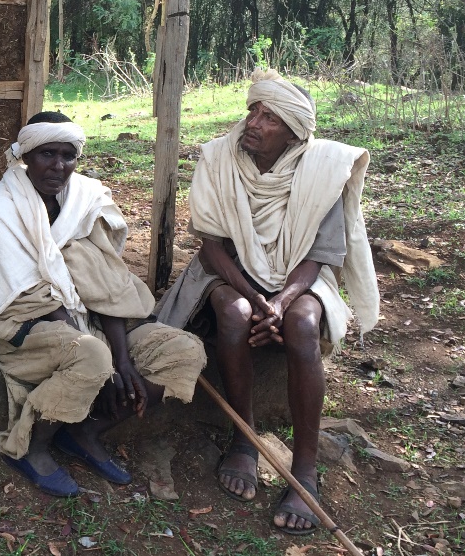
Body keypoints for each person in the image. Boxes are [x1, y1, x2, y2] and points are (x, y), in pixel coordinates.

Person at [156, 69, 378, 535]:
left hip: (297, 277)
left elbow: (319, 257)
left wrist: (280, 302)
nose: (254, 122)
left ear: (295, 132)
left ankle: (305, 470)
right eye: (253, 110)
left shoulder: (324, 169)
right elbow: (211, 246)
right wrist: (257, 298)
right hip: (227, 271)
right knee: (234, 315)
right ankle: (244, 438)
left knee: (301, 324)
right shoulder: (219, 157)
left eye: (270, 117)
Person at [0, 112, 206, 497]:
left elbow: (107, 284)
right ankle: (29, 447)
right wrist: (101, 361)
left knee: (184, 350)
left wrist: (121, 360)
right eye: (47, 154)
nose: (58, 166)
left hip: (84, 315)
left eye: (68, 156)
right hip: (18, 320)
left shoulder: (84, 203)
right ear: (26, 155)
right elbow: (31, 294)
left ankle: (84, 432)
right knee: (90, 356)